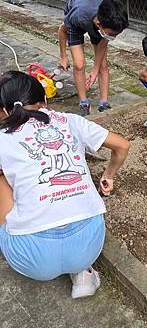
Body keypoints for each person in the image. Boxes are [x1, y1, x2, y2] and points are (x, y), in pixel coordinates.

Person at [0, 71, 129, 299]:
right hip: (89, 246)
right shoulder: (70, 121)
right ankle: (83, 273)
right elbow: (122, 145)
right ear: (45, 101)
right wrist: (109, 175)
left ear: (5, 110)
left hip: (33, 261)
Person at [58, 0, 128, 116]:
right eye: (112, 34)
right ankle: (83, 102)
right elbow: (62, 30)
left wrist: (94, 71)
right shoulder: (78, 16)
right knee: (79, 64)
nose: (114, 37)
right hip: (76, 21)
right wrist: (63, 56)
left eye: (116, 34)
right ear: (99, 24)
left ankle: (104, 103)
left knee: (103, 65)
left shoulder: (109, 23)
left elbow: (103, 44)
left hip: (94, 19)